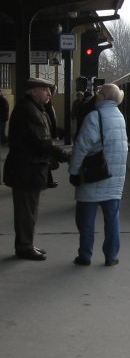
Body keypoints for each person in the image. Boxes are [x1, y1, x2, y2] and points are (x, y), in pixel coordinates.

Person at [2, 77, 70, 261]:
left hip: (29, 168)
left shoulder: (33, 108)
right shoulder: (29, 111)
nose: (49, 94)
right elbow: (42, 142)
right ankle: (24, 247)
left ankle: (27, 243)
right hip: (26, 168)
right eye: (45, 90)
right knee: (26, 211)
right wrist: (65, 156)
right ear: (34, 91)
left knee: (29, 209)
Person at [68, 83, 128, 266]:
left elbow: (81, 147)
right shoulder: (120, 117)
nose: (96, 96)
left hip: (93, 176)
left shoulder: (94, 117)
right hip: (114, 176)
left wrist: (74, 171)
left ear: (102, 97)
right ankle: (111, 256)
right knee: (112, 219)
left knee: (85, 220)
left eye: (98, 93)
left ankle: (85, 255)